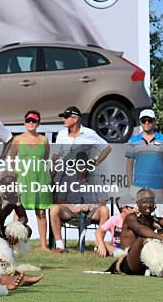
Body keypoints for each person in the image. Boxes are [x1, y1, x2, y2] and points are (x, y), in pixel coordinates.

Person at [50, 106, 112, 253]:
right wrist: (52, 172)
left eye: (66, 117)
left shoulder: (89, 134)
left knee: (104, 209)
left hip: (85, 175)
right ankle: (59, 245)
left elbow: (107, 148)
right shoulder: (61, 135)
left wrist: (94, 163)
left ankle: (99, 243)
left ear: (75, 118)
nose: (63, 120)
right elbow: (56, 155)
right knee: (54, 207)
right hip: (65, 176)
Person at [10, 110, 52, 250]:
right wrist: (13, 175)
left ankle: (43, 245)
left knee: (41, 212)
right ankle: (12, 240)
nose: (31, 123)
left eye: (34, 121)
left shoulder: (44, 139)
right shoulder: (18, 139)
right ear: (24, 122)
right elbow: (11, 158)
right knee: (18, 212)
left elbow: (45, 158)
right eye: (28, 120)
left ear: (38, 123)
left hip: (40, 178)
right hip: (23, 178)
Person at [125, 109, 163, 218]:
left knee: (161, 220)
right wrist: (130, 184)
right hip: (138, 187)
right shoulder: (133, 141)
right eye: (143, 120)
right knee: (137, 219)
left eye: (149, 120)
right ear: (140, 122)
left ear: (154, 122)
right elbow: (129, 163)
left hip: (158, 186)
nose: (146, 123)